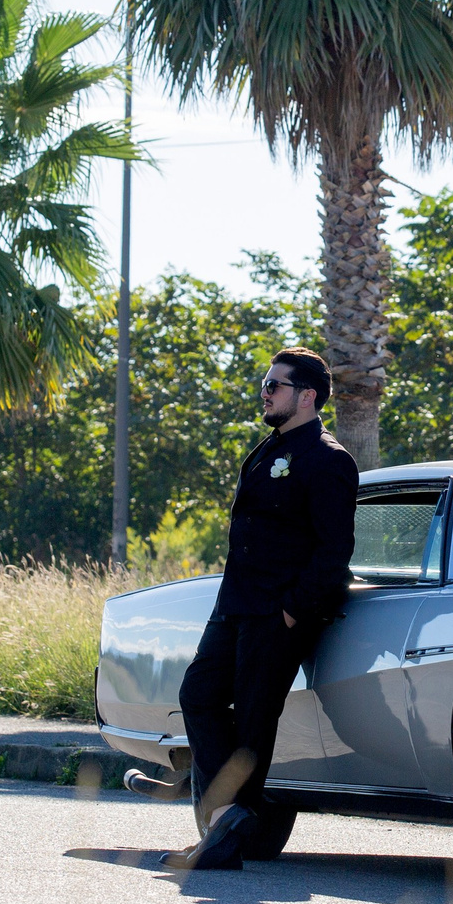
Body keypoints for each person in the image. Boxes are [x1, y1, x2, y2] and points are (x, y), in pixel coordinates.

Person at [167, 347, 358, 871]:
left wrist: (293, 613)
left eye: (275, 386)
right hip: (234, 607)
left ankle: (223, 840)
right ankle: (226, 818)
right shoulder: (262, 451)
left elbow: (333, 550)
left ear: (307, 396)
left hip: (278, 614)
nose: (265, 393)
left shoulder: (329, 458)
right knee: (199, 695)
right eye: (265, 384)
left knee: (254, 722)